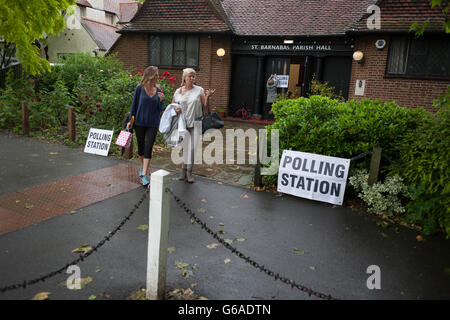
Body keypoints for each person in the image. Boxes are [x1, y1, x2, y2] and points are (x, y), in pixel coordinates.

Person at [172, 68, 215, 183]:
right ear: (185, 78)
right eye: (189, 76)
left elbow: (205, 107)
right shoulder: (179, 91)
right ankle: (183, 170)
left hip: (196, 122)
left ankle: (189, 172)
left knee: (192, 149)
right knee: (183, 148)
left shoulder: (199, 90)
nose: (191, 78)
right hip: (182, 124)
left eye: (193, 76)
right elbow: (173, 105)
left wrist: (208, 97)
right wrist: (175, 109)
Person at [127, 66, 164, 186]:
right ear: (149, 76)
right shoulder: (139, 88)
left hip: (153, 124)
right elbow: (134, 105)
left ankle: (144, 174)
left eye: (158, 75)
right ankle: (143, 168)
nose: (157, 77)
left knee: (148, 147)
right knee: (141, 148)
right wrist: (130, 120)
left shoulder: (159, 91)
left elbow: (159, 110)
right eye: (156, 75)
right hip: (139, 123)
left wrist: (161, 101)